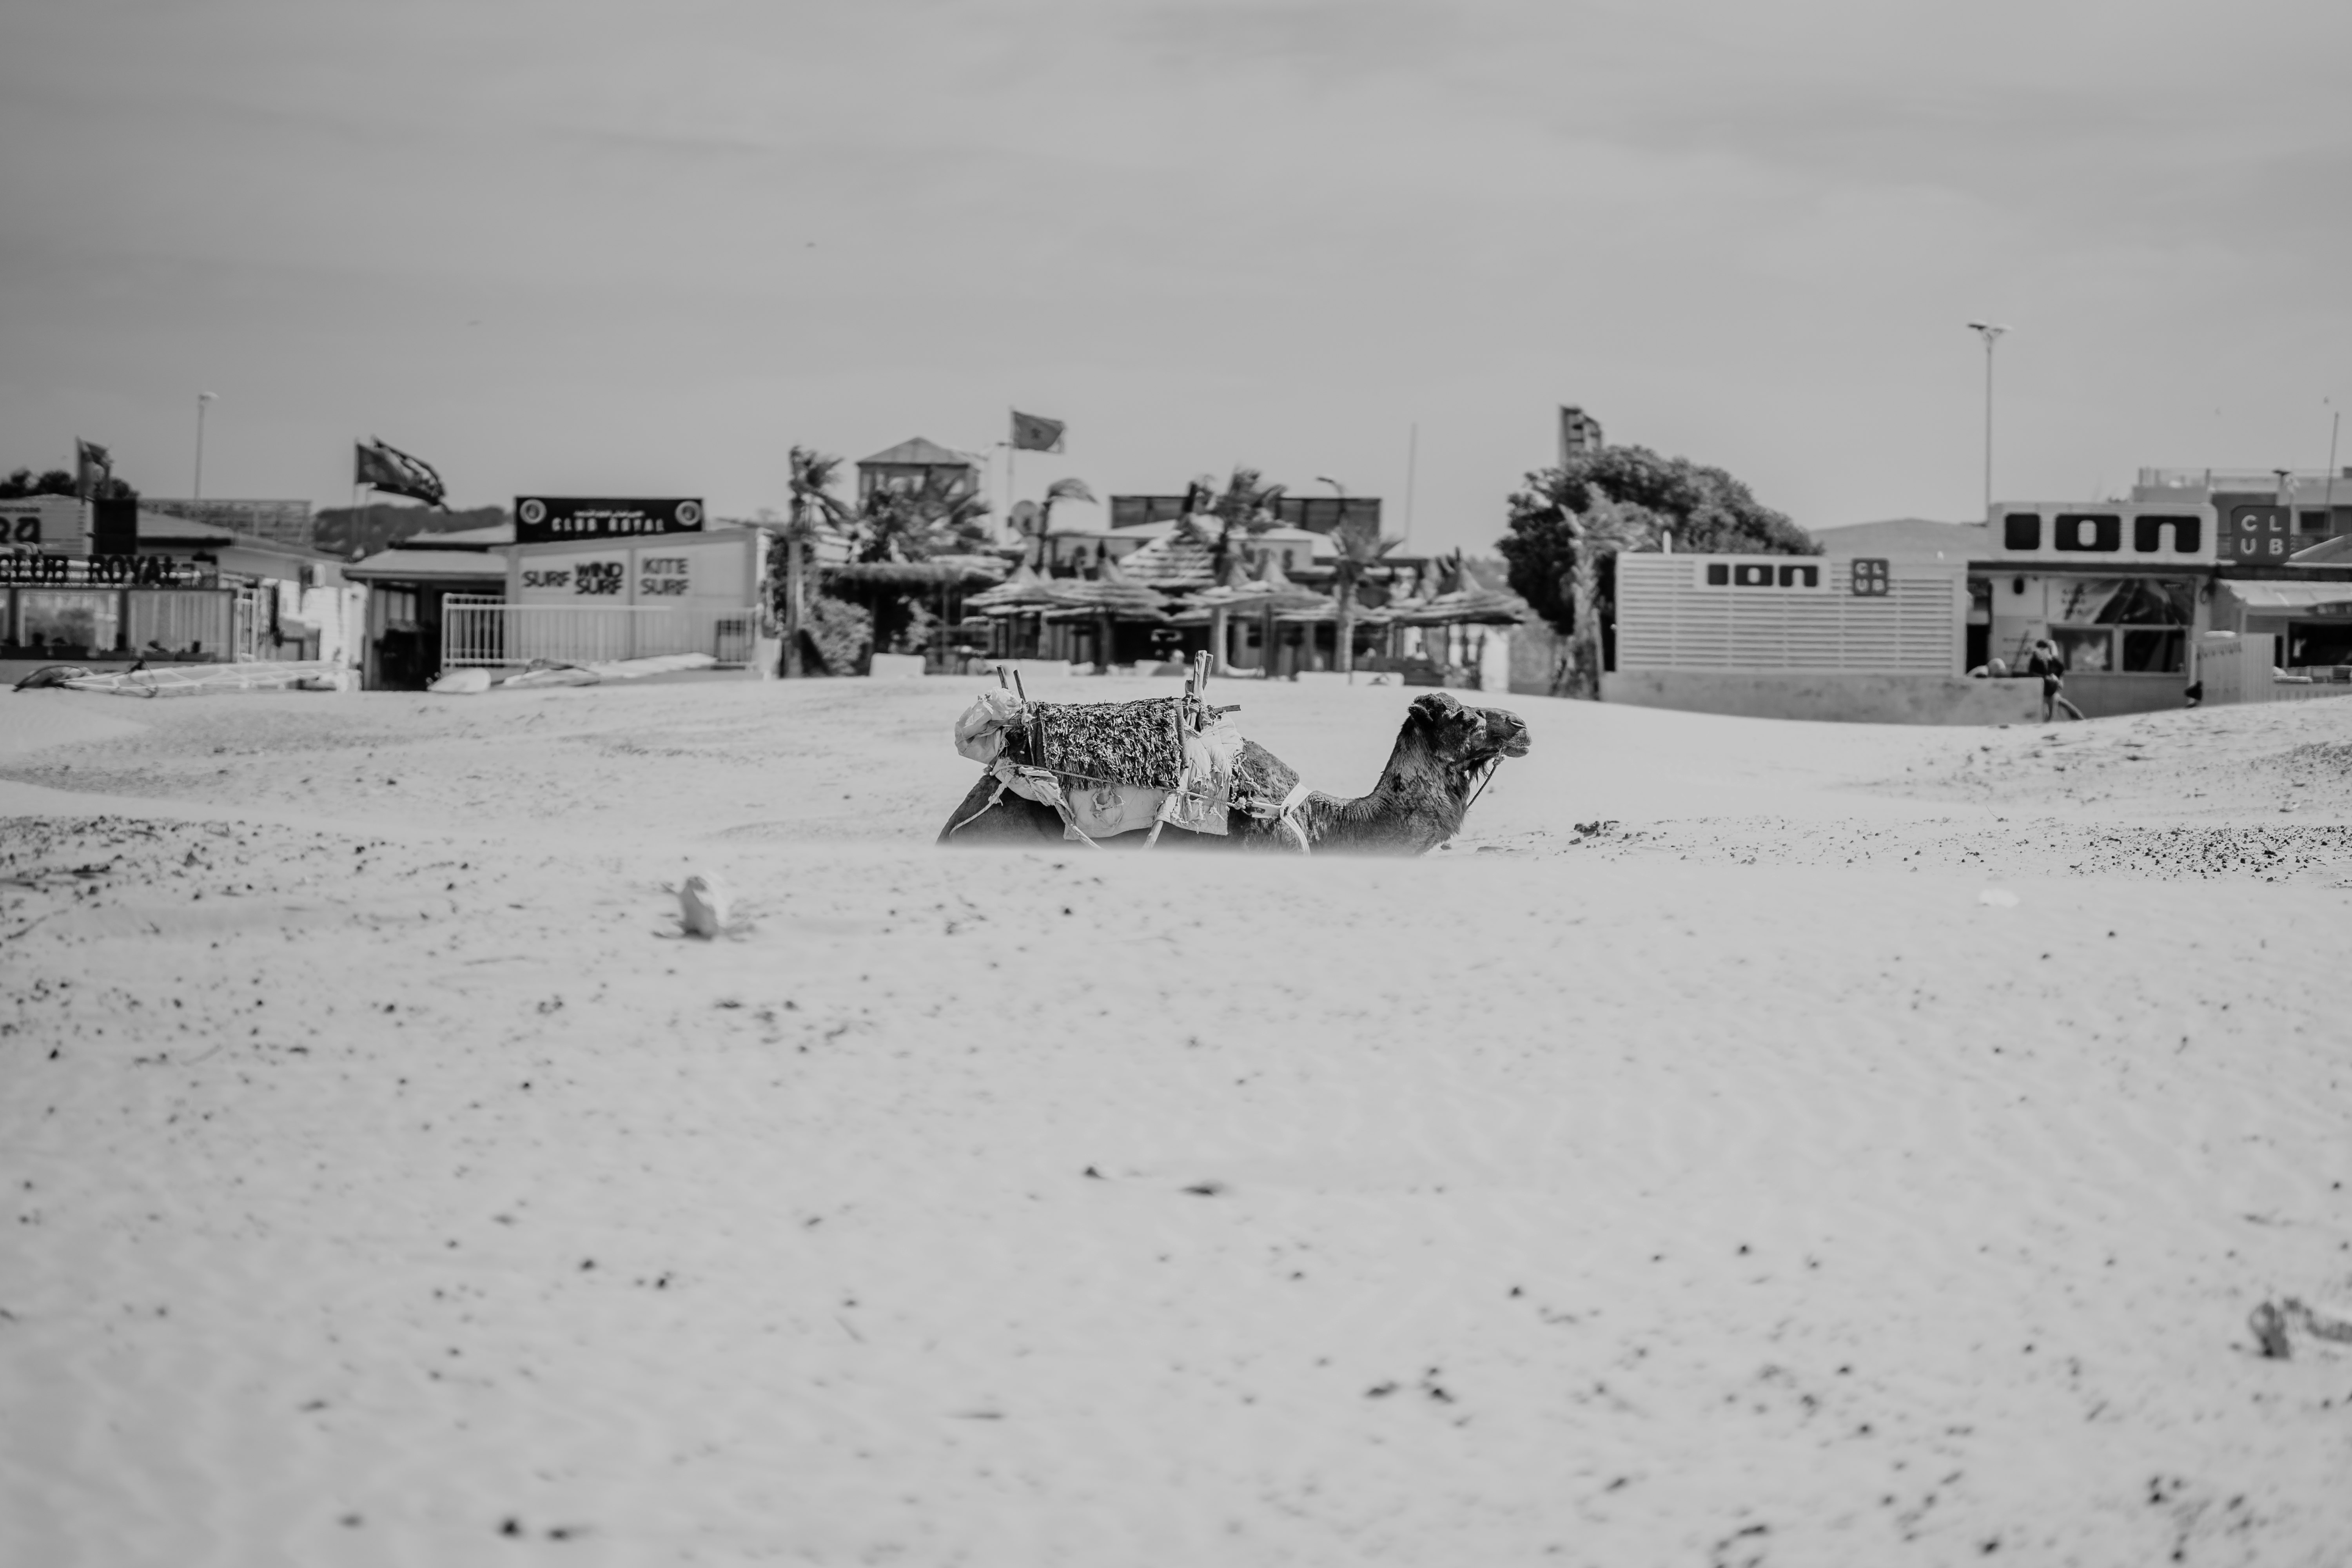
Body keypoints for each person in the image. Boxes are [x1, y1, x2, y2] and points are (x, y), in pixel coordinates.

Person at [2025, 637, 2084, 722]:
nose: (2042, 651)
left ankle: (2079, 719)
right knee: (2044, 712)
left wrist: (2058, 679)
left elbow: (2061, 669)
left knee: (2052, 713)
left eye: (2044, 649)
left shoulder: (2052, 660)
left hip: (2053, 690)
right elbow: (2032, 673)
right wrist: (2045, 677)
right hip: (2042, 691)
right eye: (2040, 649)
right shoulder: (2034, 661)